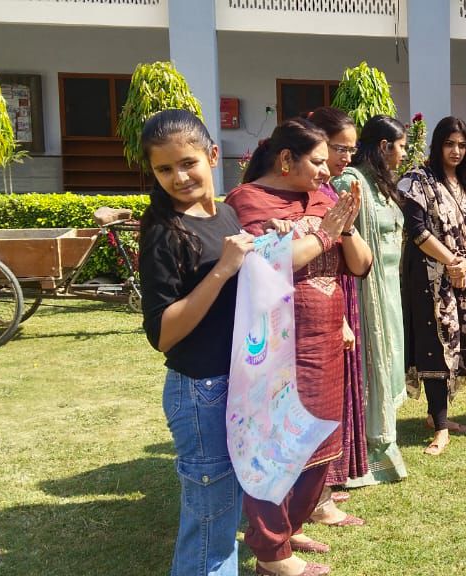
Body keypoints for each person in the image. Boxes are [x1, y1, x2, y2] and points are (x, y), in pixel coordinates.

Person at [226, 118, 370, 576]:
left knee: (316, 442)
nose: (328, 172)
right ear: (286, 160)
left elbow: (361, 265)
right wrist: (322, 232)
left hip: (326, 338)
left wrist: (343, 227)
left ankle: (287, 528)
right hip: (278, 345)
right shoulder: (247, 201)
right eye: (318, 162)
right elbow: (266, 266)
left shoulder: (322, 198)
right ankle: (271, 553)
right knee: (277, 442)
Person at [138, 109, 252, 576]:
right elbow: (163, 333)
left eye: (188, 163)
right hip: (200, 389)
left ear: (212, 154)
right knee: (210, 523)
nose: (179, 177)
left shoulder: (224, 213)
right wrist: (224, 268)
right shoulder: (165, 233)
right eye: (165, 169)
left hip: (236, 380)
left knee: (224, 511)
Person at [397, 116, 466, 455]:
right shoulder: (417, 180)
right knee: (435, 343)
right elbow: (417, 230)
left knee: (460, 340)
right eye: (450, 144)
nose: (456, 151)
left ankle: (440, 415)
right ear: (436, 145)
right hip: (428, 277)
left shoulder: (465, 184)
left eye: (462, 145)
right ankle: (439, 427)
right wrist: (452, 261)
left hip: (462, 277)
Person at [303, 106, 368, 529]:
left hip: (336, 297)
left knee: (330, 404)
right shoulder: (284, 195)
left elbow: (359, 263)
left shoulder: (331, 193)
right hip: (303, 313)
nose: (345, 158)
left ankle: (323, 488)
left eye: (351, 149)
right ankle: (314, 498)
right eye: (339, 148)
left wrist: (344, 227)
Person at [336, 115, 411, 485]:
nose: (404, 154)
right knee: (369, 361)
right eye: (401, 146)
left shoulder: (381, 184)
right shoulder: (352, 182)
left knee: (388, 359)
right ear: (384, 146)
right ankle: (364, 450)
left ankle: (383, 442)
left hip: (388, 289)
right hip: (364, 290)